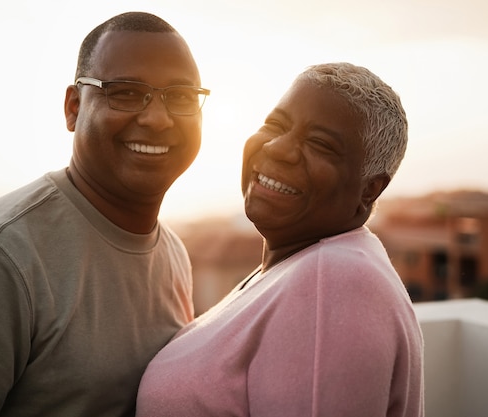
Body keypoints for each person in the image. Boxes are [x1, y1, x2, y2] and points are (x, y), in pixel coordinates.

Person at [0, 11, 209, 417]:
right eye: (126, 93)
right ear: (73, 108)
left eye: (180, 96)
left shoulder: (172, 254)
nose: (157, 118)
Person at [136, 62, 424, 416]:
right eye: (275, 125)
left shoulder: (338, 280)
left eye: (320, 144)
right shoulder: (292, 268)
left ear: (369, 189)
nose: (277, 148)